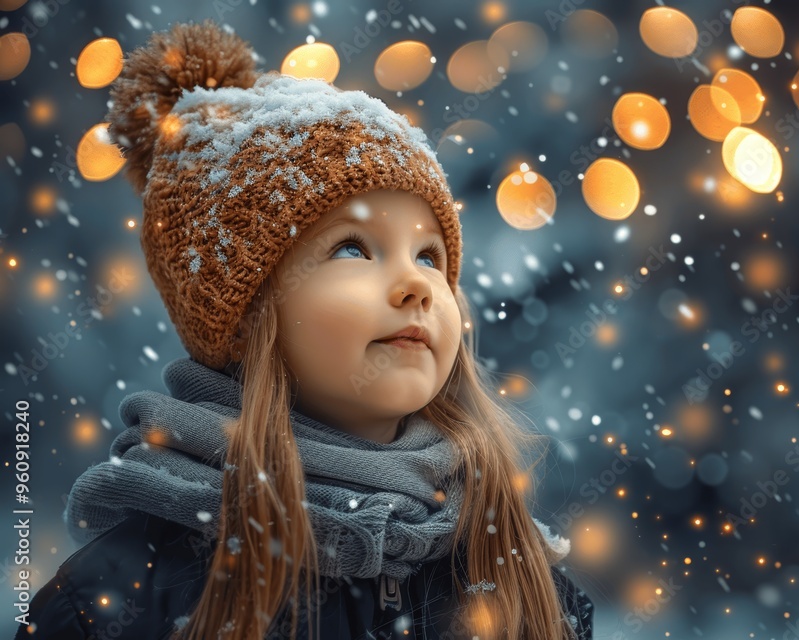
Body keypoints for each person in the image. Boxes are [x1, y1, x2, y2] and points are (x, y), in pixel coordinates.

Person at [14, 19, 593, 640]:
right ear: (243, 316)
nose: (418, 285)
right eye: (352, 249)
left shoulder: (518, 584)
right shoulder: (119, 600)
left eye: (430, 256)